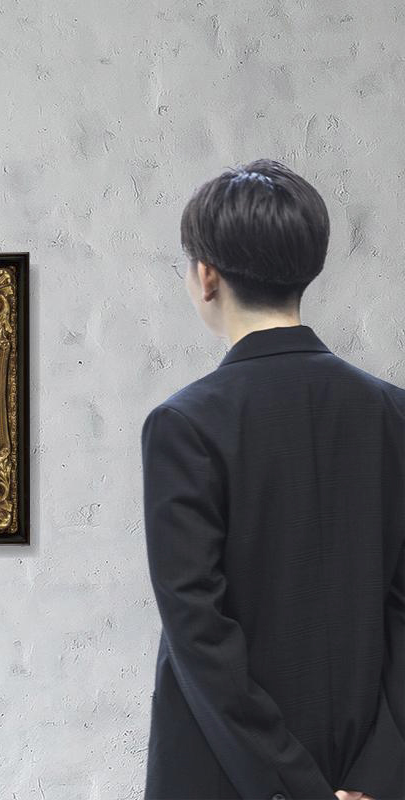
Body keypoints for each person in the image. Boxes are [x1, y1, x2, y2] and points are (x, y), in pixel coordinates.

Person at [140, 159, 405, 799]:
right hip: (367, 774)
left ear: (206, 276)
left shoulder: (184, 426)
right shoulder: (394, 414)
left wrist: (297, 787)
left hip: (228, 776)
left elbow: (200, 634)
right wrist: (378, 774)